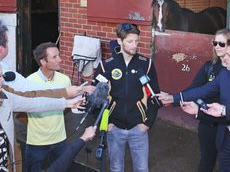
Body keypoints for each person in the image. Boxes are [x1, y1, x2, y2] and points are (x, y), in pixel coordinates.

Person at [94, 23, 160, 172]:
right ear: (119, 41)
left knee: (142, 168)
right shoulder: (106, 66)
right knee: (116, 168)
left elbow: (155, 96)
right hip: (114, 127)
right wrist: (106, 124)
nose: (134, 45)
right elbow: (97, 98)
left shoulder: (146, 64)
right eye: (130, 41)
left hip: (139, 127)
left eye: (137, 41)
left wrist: (147, 123)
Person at [158, 41, 230, 171]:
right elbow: (202, 90)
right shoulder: (225, 74)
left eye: (229, 55)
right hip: (225, 138)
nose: (225, 58)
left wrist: (225, 110)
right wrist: (173, 98)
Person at [0, 63, 85, 172]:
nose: (2, 79)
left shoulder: (5, 96)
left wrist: (67, 103)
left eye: (2, 75)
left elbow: (34, 102)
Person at [182, 29, 230, 172]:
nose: (217, 46)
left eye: (221, 43)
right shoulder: (209, 66)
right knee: (206, 161)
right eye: (215, 42)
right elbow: (194, 89)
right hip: (208, 123)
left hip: (225, 124)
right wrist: (173, 98)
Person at [24, 42, 75, 172]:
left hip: (60, 140)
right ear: (43, 61)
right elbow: (21, 111)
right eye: (55, 57)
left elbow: (69, 104)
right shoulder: (29, 82)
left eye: (59, 55)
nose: (60, 59)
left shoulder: (65, 80)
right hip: (36, 142)